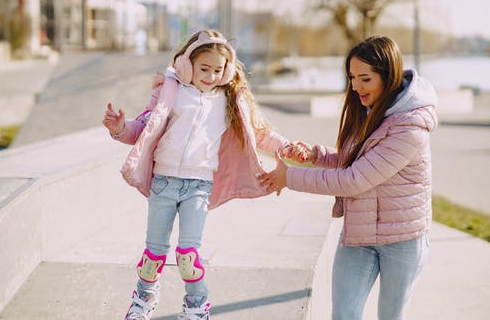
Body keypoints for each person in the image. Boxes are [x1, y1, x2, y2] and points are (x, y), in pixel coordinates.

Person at [102, 29, 289, 320]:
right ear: (186, 65)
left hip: (198, 186)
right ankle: (143, 301)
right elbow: (145, 127)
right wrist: (120, 128)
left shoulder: (229, 99)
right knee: (153, 254)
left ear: (227, 71)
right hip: (163, 183)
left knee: (188, 255)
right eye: (204, 68)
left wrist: (288, 147)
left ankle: (196, 306)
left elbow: (260, 133)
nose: (211, 76)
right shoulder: (172, 91)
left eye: (218, 70)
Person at [259, 36, 438, 320]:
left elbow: (354, 180)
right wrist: (315, 156)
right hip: (360, 236)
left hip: (403, 240)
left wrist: (289, 177)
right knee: (344, 315)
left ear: (388, 76)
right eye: (352, 77)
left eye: (364, 78)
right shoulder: (369, 111)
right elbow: (356, 160)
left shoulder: (410, 127)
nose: (355, 87)